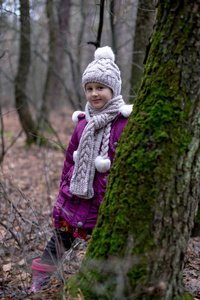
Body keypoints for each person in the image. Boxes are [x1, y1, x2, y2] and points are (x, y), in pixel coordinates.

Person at [29, 46, 133, 293]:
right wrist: (64, 189)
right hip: (76, 195)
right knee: (59, 240)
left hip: (103, 199)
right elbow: (69, 161)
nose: (94, 94)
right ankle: (41, 278)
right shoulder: (82, 124)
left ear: (113, 89)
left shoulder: (124, 122)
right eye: (89, 89)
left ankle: (102, 285)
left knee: (104, 246)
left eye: (100, 88)